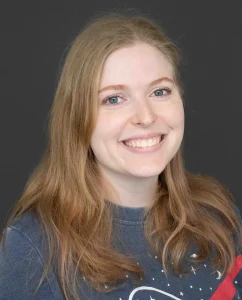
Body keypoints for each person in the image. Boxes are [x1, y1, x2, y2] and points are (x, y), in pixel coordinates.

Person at [0, 11, 242, 300]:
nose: (145, 116)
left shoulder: (219, 216)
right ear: (78, 118)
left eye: (160, 91)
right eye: (114, 99)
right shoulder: (33, 247)